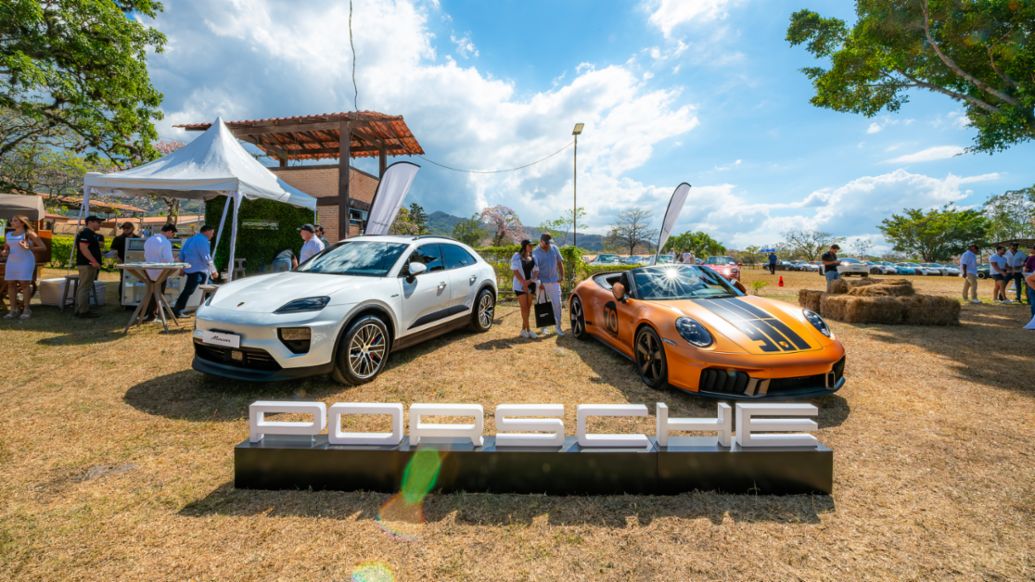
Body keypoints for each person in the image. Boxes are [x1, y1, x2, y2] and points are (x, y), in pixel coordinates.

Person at [2, 215, 45, 319]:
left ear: (22, 223)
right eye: (11, 220)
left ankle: (26, 310)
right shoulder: (8, 234)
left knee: (24, 284)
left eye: (15, 220)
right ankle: (13, 310)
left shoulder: (29, 233)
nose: (12, 222)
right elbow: (6, 247)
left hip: (26, 261)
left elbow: (43, 247)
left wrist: (29, 247)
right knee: (11, 284)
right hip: (11, 262)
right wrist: (4, 251)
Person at [173, 225, 218, 317]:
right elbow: (206, 257)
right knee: (191, 290)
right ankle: (178, 310)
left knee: (209, 289)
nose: (212, 235)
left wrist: (182, 268)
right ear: (207, 231)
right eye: (212, 233)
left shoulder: (190, 239)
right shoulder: (203, 240)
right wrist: (213, 270)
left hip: (192, 269)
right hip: (199, 270)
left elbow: (182, 255)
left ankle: (208, 309)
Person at [532, 233, 564, 336]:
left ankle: (558, 327)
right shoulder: (535, 252)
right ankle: (544, 327)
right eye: (546, 243)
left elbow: (559, 262)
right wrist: (538, 282)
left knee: (558, 304)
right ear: (541, 241)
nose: (548, 245)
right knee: (543, 305)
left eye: (549, 242)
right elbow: (534, 269)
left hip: (554, 281)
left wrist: (562, 275)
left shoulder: (555, 248)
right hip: (542, 283)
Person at [142, 223, 176, 320]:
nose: (173, 236)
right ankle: (152, 315)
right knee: (159, 293)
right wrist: (175, 260)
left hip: (149, 270)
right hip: (161, 271)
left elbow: (146, 255)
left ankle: (148, 314)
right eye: (173, 234)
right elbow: (168, 259)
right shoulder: (165, 242)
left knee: (150, 292)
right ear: (170, 231)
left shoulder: (149, 239)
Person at [74, 216, 104, 318]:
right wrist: (94, 261)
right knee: (85, 288)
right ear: (90, 222)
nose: (100, 224)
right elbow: (83, 248)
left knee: (83, 287)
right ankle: (83, 311)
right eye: (98, 222)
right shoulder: (86, 233)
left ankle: (79, 309)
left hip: (87, 264)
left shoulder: (90, 234)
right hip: (87, 264)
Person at [510, 239, 539, 339]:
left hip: (531, 284)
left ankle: (523, 330)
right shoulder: (516, 256)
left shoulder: (533, 257)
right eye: (529, 245)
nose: (531, 247)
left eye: (532, 245)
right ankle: (529, 330)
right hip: (520, 286)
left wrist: (529, 281)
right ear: (524, 246)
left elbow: (536, 271)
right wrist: (523, 282)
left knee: (528, 307)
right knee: (524, 307)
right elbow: (515, 271)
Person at [110, 222, 140, 303]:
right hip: (123, 263)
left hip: (135, 264)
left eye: (127, 228)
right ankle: (122, 300)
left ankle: (134, 299)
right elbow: (113, 251)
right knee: (124, 280)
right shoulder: (118, 239)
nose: (125, 230)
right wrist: (118, 260)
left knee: (136, 280)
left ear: (132, 228)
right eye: (124, 228)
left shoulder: (137, 238)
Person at [1023, 245, 1035, 319]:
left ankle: (1033, 320)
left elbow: (1026, 270)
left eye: (1032, 249)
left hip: (1032, 280)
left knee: (1033, 302)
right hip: (1032, 280)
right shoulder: (1031, 258)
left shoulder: (1031, 258)